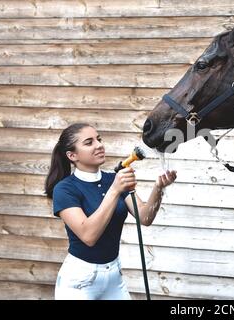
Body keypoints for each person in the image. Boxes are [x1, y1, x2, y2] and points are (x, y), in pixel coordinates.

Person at [44, 123, 177, 300]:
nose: (99, 145)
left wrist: (158, 188)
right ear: (72, 155)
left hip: (114, 276)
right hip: (80, 281)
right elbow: (88, 235)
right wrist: (114, 190)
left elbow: (144, 217)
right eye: (89, 142)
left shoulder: (113, 179)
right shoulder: (65, 189)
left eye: (99, 139)